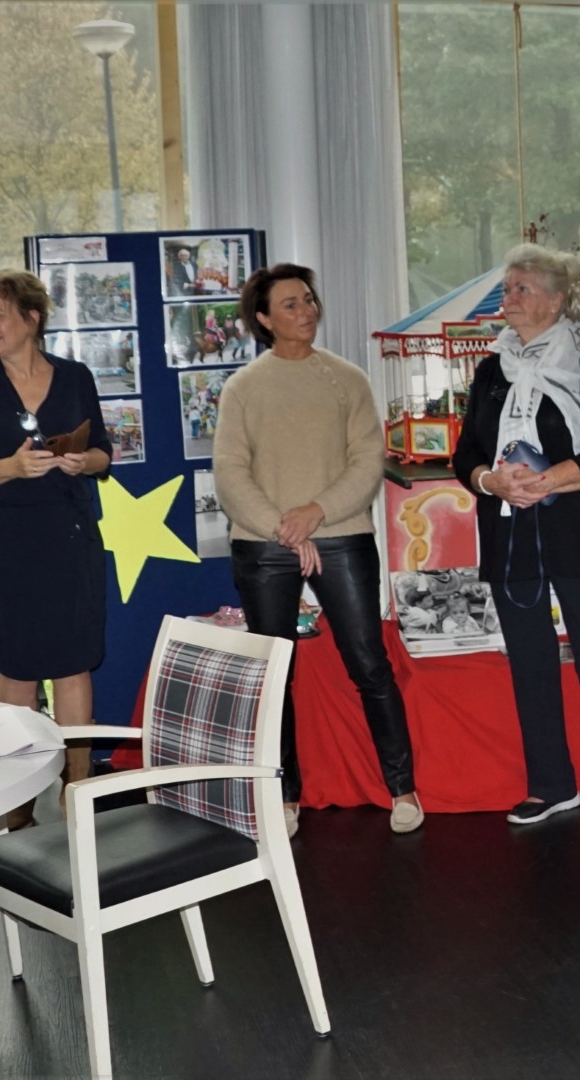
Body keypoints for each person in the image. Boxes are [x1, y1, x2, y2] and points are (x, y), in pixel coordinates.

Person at [454, 243, 580, 839]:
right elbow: (466, 453)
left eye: (520, 288)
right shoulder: (491, 370)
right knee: (530, 660)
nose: (508, 298)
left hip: (579, 529)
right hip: (509, 528)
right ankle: (551, 785)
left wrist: (547, 481)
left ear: (554, 300)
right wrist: (492, 481)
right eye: (507, 288)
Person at [213, 264, 423, 837]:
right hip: (264, 542)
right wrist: (284, 528)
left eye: (308, 300)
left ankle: (403, 788)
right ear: (263, 318)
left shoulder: (347, 378)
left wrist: (315, 514)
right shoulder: (242, 388)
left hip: (341, 533)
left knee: (369, 663)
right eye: (290, 304)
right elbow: (230, 474)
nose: (306, 311)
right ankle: (284, 796)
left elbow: (367, 462)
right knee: (274, 674)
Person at [0, 270, 111, 819]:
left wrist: (83, 461)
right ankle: (14, 805)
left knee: (73, 665)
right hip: (9, 543)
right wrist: (11, 468)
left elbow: (103, 454)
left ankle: (77, 789)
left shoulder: (76, 376)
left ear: (31, 318)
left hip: (70, 537)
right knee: (16, 666)